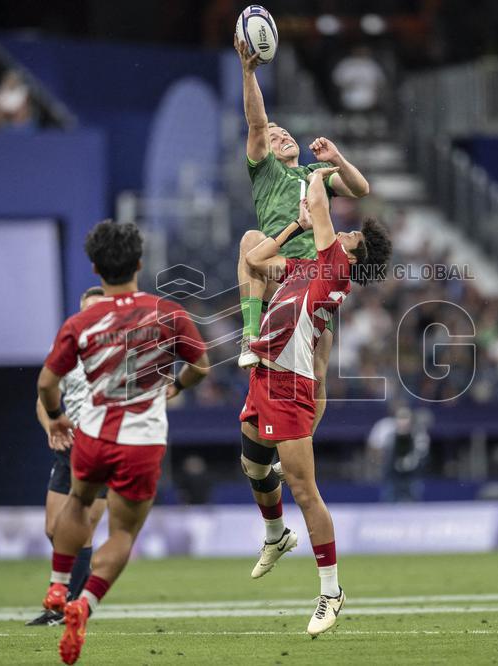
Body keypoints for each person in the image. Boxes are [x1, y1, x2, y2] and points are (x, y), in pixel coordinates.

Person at [37, 221, 210, 664]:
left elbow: (46, 383)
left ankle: (58, 583)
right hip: (142, 441)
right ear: (138, 263)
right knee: (123, 531)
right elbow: (202, 366)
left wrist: (57, 419)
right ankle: (84, 603)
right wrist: (177, 386)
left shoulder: (81, 322)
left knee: (78, 502)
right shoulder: (167, 313)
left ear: (95, 268)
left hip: (92, 435)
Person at [238, 166, 391, 636]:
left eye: (350, 235)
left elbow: (322, 206)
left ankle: (331, 591)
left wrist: (320, 174)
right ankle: (276, 535)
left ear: (352, 255)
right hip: (265, 375)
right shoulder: (315, 265)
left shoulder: (336, 267)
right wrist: (294, 227)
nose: (343, 232)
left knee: (306, 492)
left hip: (288, 385)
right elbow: (256, 260)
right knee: (253, 466)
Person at [233, 35, 371, 436]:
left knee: (320, 373)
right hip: (283, 269)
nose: (282, 136)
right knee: (249, 242)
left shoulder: (315, 175)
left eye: (285, 133)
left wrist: (336, 159)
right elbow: (257, 122)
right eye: (275, 138)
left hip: (316, 276)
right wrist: (248, 72)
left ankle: (301, 442)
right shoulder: (265, 171)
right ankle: (249, 335)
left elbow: (361, 189)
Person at [26, 286, 111, 627]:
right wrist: (50, 426)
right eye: (87, 310)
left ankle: (64, 606)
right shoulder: (66, 347)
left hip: (101, 448)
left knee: (82, 531)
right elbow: (42, 397)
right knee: (53, 529)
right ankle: (76, 594)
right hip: (67, 450)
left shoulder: (119, 351)